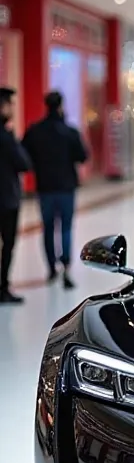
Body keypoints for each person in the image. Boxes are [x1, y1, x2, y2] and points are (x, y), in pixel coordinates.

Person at [22, 90, 88, 288]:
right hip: (66, 187)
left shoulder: (35, 131)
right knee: (66, 227)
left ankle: (51, 268)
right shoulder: (70, 131)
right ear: (61, 106)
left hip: (45, 187)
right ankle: (66, 267)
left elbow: (24, 154)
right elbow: (83, 156)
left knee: (48, 228)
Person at [0, 87, 31, 304]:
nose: (11, 108)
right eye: (9, 104)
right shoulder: (5, 136)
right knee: (7, 244)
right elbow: (23, 163)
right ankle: (3, 288)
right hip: (6, 200)